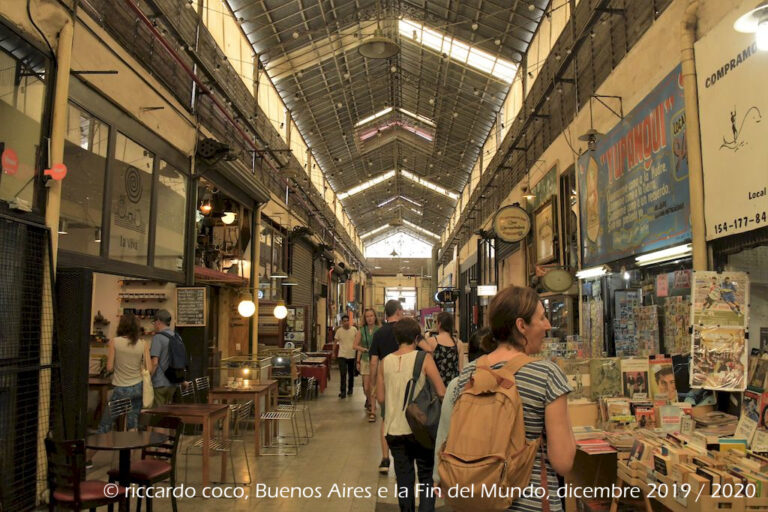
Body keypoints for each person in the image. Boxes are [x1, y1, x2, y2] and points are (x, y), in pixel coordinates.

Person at [434, 286, 576, 512]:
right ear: (521, 326)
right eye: (542, 317)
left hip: (476, 500)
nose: (548, 325)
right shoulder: (548, 375)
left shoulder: (468, 374)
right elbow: (563, 462)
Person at [377, 318, 446, 512]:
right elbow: (441, 391)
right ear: (417, 338)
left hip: (394, 430)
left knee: (404, 479)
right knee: (425, 477)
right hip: (420, 428)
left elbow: (380, 398)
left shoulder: (385, 361)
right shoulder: (424, 359)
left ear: (396, 337)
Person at [98, 313, 152, 432]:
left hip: (121, 389)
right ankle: (131, 449)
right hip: (138, 387)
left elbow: (109, 367)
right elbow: (149, 368)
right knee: (133, 422)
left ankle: (97, 447)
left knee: (106, 422)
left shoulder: (114, 342)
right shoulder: (143, 344)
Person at [370, 299, 404, 473]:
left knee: (386, 418)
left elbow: (374, 362)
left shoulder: (379, 333)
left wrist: (373, 385)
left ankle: (385, 459)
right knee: (406, 415)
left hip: (386, 381)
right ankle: (404, 457)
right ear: (398, 311)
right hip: (405, 380)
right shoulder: (406, 331)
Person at [417, 312, 463, 385]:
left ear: (439, 324)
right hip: (453, 385)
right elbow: (460, 369)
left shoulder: (431, 341)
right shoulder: (458, 343)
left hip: (436, 385)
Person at [354, 308, 380, 421]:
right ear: (365, 318)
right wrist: (363, 350)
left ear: (375, 317)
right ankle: (369, 401)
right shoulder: (361, 330)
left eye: (371, 316)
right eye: (367, 316)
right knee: (366, 387)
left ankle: (373, 408)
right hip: (365, 360)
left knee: (373, 385)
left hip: (376, 360)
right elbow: (354, 345)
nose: (369, 318)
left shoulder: (379, 330)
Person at [150, 309, 177, 406]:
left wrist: (148, 378)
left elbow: (155, 363)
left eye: (154, 322)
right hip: (173, 383)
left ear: (158, 322)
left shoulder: (158, 337)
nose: (154, 325)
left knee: (158, 414)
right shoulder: (176, 336)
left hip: (160, 383)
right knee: (167, 412)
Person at [334, 314, 358, 398]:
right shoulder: (339, 331)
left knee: (351, 374)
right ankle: (343, 391)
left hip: (352, 355)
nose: (346, 322)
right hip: (342, 355)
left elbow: (358, 340)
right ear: (342, 322)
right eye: (344, 321)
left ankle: (350, 389)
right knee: (343, 374)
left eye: (347, 321)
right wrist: (334, 353)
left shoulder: (354, 330)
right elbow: (335, 342)